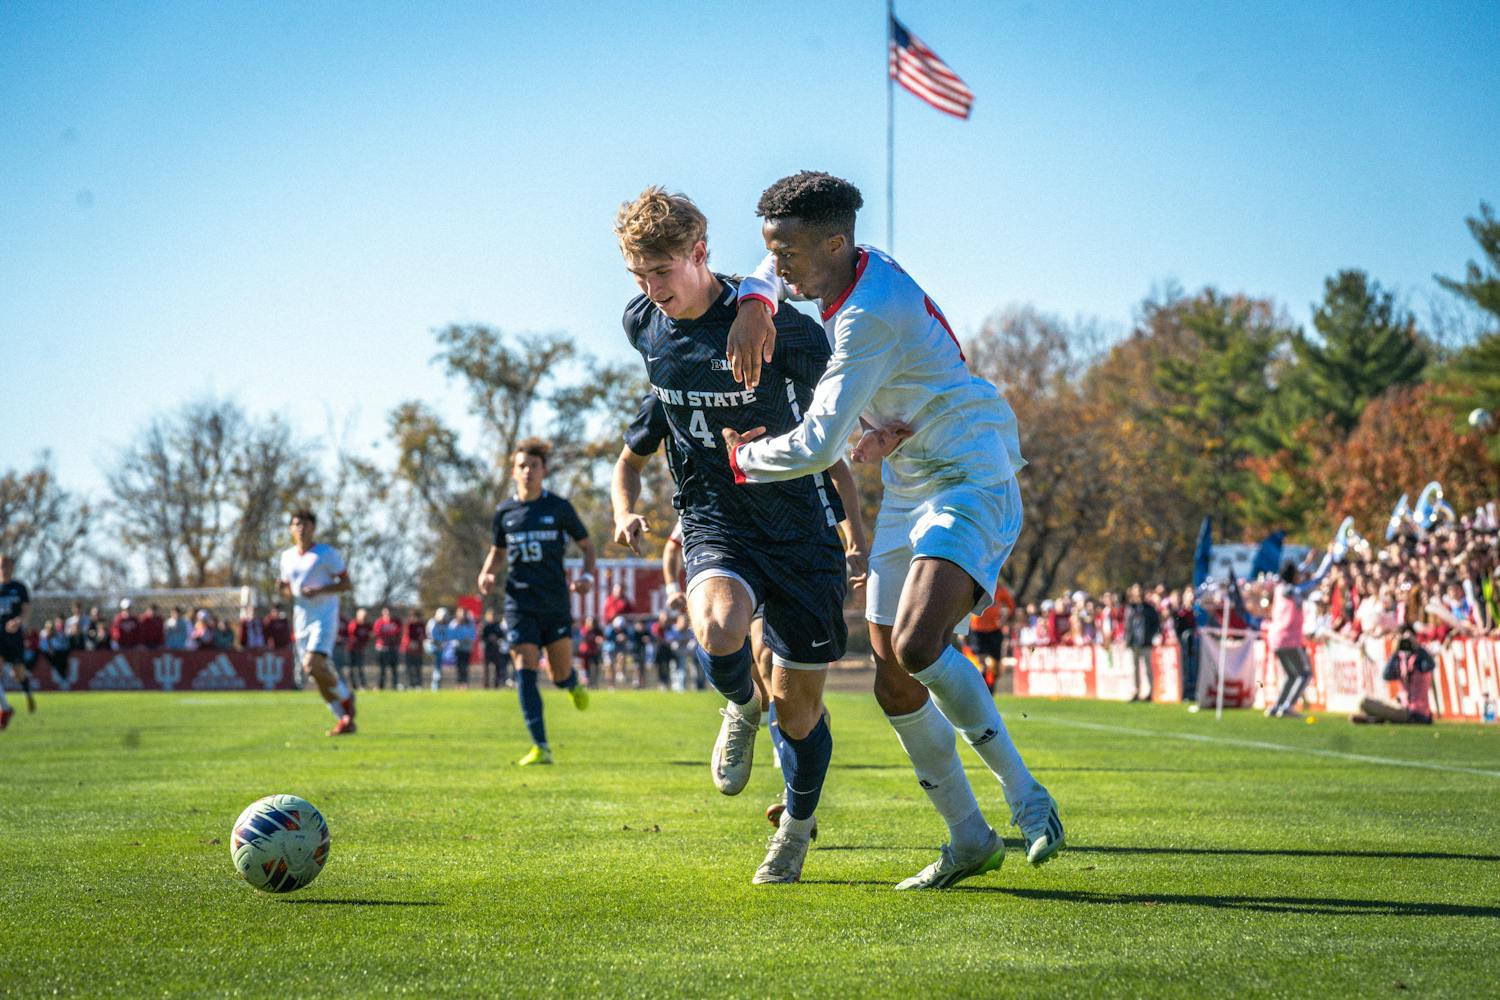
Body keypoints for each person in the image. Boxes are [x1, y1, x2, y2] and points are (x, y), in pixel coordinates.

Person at [722, 171, 1062, 886]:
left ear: (837, 243)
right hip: (913, 478)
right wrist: (756, 297)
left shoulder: (867, 312)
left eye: (787, 256)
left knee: (916, 645)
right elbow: (777, 268)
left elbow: (815, 445)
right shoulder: (843, 267)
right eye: (771, 254)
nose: (778, 269)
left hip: (969, 469)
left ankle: (1029, 799)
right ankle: (969, 839)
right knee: (891, 681)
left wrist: (743, 459)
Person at [611, 187, 864, 884]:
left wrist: (850, 486)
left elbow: (842, 410)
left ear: (699, 253)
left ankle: (798, 829)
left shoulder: (784, 329)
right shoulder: (642, 323)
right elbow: (645, 432)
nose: (652, 289)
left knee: (802, 713)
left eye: (662, 270)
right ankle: (739, 705)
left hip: (800, 528)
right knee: (720, 629)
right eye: (639, 275)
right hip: (716, 520)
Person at [477, 438, 597, 765]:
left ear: (544, 470)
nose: (528, 471)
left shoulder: (558, 507)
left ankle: (572, 683)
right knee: (524, 667)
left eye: (534, 466)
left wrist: (586, 577)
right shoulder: (505, 513)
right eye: (522, 466)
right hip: (519, 603)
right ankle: (540, 745)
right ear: (513, 471)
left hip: (555, 601)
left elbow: (587, 546)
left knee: (558, 676)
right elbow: (498, 552)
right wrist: (487, 574)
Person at [276, 509, 358, 735]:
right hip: (301, 620)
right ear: (291, 529)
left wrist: (322, 589)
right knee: (314, 673)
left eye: (305, 524)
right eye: (296, 524)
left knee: (313, 664)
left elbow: (346, 584)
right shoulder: (286, 557)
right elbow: (288, 590)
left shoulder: (326, 553)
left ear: (313, 528)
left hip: (324, 617)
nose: (301, 528)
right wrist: (283, 590)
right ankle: (344, 719)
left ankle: (346, 697)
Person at [1266, 547, 1334, 718]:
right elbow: (1317, 579)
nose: (1300, 575)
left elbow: (1294, 575)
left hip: (1276, 638)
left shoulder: (1281, 588)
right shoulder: (1295, 592)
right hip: (1288, 639)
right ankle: (1288, 707)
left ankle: (1277, 706)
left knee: (1290, 675)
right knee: (1305, 674)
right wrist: (1330, 557)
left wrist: (1309, 562)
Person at [1351, 625, 1436, 724]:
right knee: (1379, 702)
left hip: (1416, 712)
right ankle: (1374, 719)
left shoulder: (1420, 657)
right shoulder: (1400, 659)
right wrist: (1396, 650)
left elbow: (1430, 666)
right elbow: (1386, 675)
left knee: (1364, 702)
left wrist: (1418, 647)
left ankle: (1374, 718)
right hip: (1402, 706)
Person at [0, 554, 34, 723]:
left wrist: (18, 621)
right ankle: (5, 708)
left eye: (7, 565)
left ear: (12, 568)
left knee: (18, 672)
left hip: (14, 637)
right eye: (1, 565)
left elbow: (26, 610)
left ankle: (27, 693)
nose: (3, 569)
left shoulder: (19, 587)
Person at [1124, 584, 1162, 701]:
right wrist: (1127, 639)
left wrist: (1153, 636)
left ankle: (1150, 692)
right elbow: (1128, 626)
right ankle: (1136, 690)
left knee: (1147, 668)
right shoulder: (1130, 608)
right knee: (1134, 668)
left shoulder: (1149, 608)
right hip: (1134, 642)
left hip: (1145, 641)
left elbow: (1156, 623)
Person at [373, 606, 403, 690]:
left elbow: (398, 632)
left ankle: (395, 685)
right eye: (386, 612)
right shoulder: (379, 622)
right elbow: (377, 633)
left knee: (394, 668)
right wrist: (388, 637)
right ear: (383, 613)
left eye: (389, 612)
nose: (388, 614)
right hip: (382, 648)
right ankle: (380, 686)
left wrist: (392, 637)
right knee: (382, 669)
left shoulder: (396, 621)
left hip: (393, 648)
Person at [449, 607, 477, 689]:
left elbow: (473, 635)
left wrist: (468, 639)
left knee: (465, 667)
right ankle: (458, 683)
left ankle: (465, 684)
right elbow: (450, 635)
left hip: (467, 648)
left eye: (464, 613)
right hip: (457, 648)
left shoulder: (470, 623)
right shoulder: (454, 623)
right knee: (458, 667)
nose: (462, 615)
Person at [345, 608, 372, 690]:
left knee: (360, 667)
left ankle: (363, 685)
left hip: (361, 649)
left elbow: (370, 634)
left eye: (365, 616)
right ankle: (354, 686)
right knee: (352, 668)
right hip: (352, 649)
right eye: (363, 616)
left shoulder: (367, 625)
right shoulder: (354, 624)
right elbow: (351, 634)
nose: (364, 618)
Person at [403, 608, 427, 690]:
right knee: (409, 668)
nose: (415, 619)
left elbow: (424, 635)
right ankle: (410, 684)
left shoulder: (421, 625)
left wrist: (421, 639)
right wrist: (412, 642)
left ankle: (418, 684)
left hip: (418, 650)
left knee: (418, 668)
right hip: (409, 650)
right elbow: (407, 636)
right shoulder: (409, 625)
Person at [426, 608, 450, 691]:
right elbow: (433, 636)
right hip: (431, 646)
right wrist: (440, 643)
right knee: (437, 658)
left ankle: (435, 687)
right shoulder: (432, 622)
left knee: (438, 666)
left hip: (439, 647)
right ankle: (435, 684)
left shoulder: (445, 625)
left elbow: (447, 637)